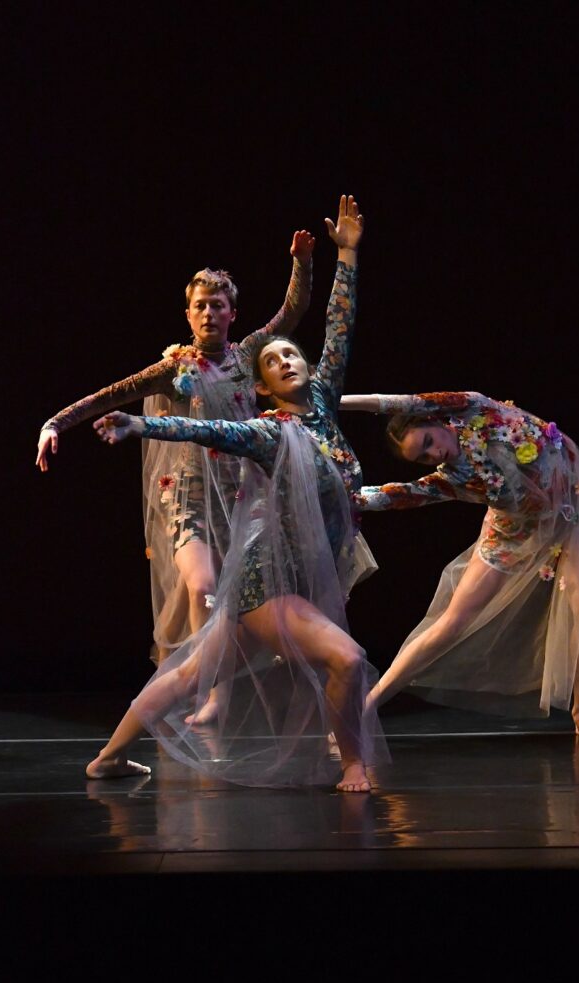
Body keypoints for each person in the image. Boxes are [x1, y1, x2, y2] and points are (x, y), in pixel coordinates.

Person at [88, 196, 385, 791]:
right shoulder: (267, 432)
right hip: (263, 583)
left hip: (292, 576)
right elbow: (204, 427)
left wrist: (346, 254)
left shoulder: (323, 406)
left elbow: (339, 325)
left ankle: (109, 757)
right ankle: (353, 762)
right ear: (264, 385)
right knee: (347, 660)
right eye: (272, 360)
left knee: (191, 672)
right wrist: (141, 423)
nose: (284, 357)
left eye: (290, 352)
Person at [36, 234, 314, 691]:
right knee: (202, 587)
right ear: (188, 315)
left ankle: (214, 693)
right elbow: (113, 394)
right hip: (189, 495)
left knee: (235, 601)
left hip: (243, 493)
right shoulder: (176, 369)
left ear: (232, 315)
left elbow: (294, 310)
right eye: (201, 306)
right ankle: (186, 686)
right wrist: (55, 422)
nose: (209, 313)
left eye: (218, 306)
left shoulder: (247, 357)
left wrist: (301, 261)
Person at [341, 390, 579, 739]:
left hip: (567, 505)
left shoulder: (479, 411)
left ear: (433, 419)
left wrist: (336, 400)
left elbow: (402, 402)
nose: (434, 454)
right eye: (424, 458)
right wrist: (340, 495)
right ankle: (368, 705)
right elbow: (395, 495)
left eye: (428, 441)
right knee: (451, 623)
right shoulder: (453, 478)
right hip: (513, 530)